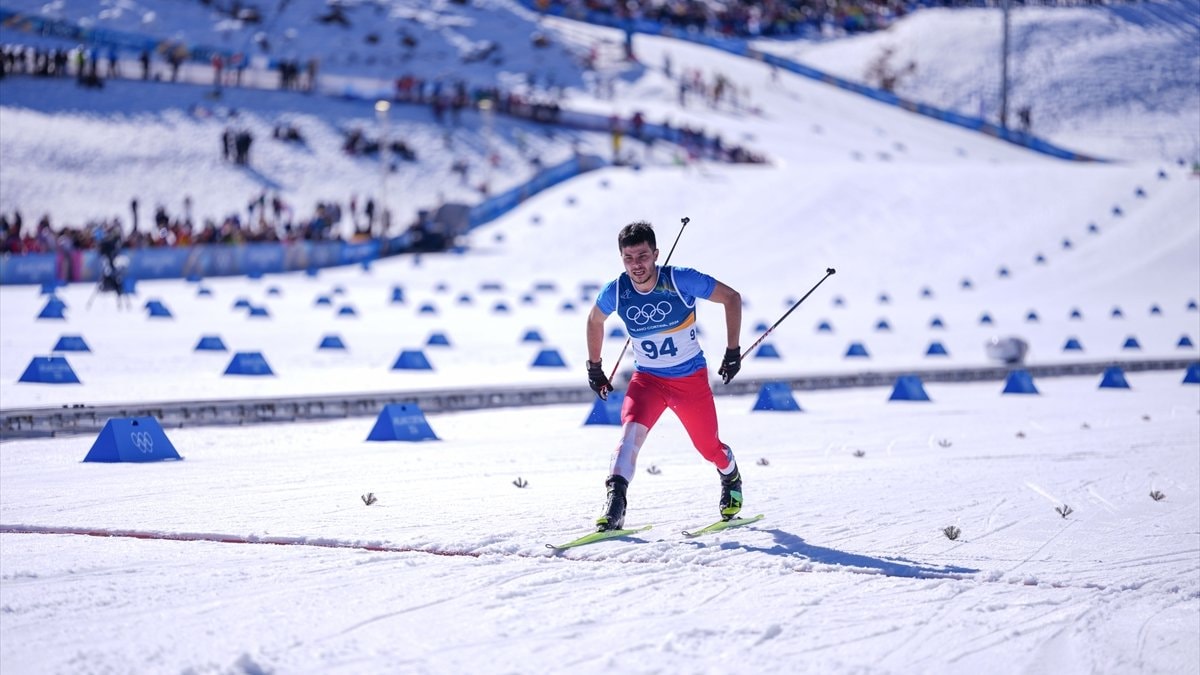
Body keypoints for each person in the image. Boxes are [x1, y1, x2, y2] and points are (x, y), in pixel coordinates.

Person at [585, 220, 744, 532]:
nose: (637, 265)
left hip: (689, 381)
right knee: (630, 436)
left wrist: (732, 351)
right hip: (648, 381)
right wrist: (594, 368)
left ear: (656, 253)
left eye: (643, 256)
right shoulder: (617, 291)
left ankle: (730, 473)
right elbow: (594, 320)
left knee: (708, 447)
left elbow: (731, 298)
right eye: (629, 258)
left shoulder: (681, 279)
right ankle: (615, 505)